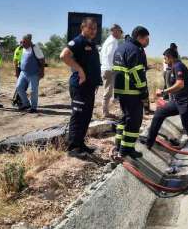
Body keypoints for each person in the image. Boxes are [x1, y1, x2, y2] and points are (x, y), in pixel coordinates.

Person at [142, 48, 188, 166]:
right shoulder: (173, 68)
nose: (165, 61)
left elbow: (180, 84)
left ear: (170, 57)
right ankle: (149, 142)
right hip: (179, 102)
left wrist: (163, 92)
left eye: (166, 58)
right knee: (159, 113)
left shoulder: (178, 66)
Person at [60, 17, 103, 156]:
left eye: (95, 28)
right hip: (79, 85)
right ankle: (73, 148)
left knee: (86, 116)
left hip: (89, 86)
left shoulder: (91, 43)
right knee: (78, 116)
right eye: (90, 28)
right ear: (82, 28)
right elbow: (64, 56)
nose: (93, 31)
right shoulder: (78, 41)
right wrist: (79, 70)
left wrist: (95, 82)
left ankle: (80, 144)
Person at [113, 26, 150, 158]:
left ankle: (118, 145)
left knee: (124, 118)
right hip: (132, 91)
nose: (147, 42)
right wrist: (144, 91)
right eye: (147, 39)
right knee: (134, 121)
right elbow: (136, 72)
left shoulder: (121, 47)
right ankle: (126, 150)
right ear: (140, 37)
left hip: (121, 90)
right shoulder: (135, 50)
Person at [16, 34, 45, 113]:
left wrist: (42, 72)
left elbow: (42, 60)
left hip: (34, 73)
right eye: (22, 41)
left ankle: (33, 107)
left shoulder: (35, 48)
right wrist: (18, 71)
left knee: (33, 91)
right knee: (19, 87)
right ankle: (26, 104)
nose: (22, 43)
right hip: (23, 72)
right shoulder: (23, 48)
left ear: (29, 41)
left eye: (24, 42)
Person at [100, 24, 123, 119]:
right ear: (115, 31)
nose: (120, 34)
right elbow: (110, 55)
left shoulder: (108, 40)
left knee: (108, 91)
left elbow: (102, 55)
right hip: (109, 69)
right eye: (120, 32)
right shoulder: (113, 41)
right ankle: (105, 113)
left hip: (106, 68)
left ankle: (105, 111)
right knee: (108, 92)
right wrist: (114, 67)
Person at [12, 41, 25, 107]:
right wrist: (16, 71)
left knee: (22, 85)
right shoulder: (19, 49)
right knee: (21, 85)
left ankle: (16, 100)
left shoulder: (28, 49)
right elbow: (15, 61)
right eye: (22, 43)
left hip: (26, 69)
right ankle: (17, 100)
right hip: (20, 68)